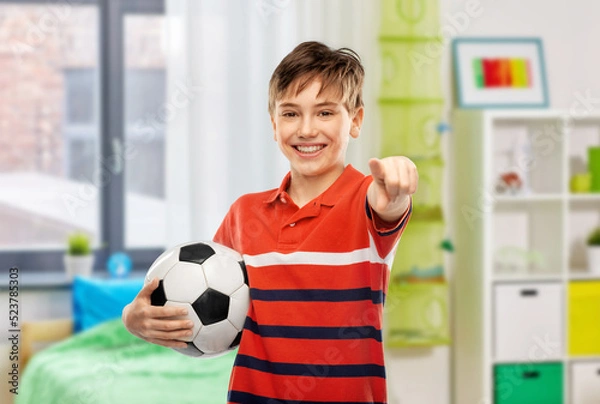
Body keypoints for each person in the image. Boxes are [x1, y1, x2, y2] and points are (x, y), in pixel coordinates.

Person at [123, 40, 418, 403]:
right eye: (291, 113)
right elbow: (199, 300)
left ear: (354, 120)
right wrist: (134, 318)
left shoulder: (368, 201)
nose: (307, 129)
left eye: (325, 113)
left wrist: (399, 186)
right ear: (274, 124)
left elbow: (389, 206)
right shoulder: (245, 213)